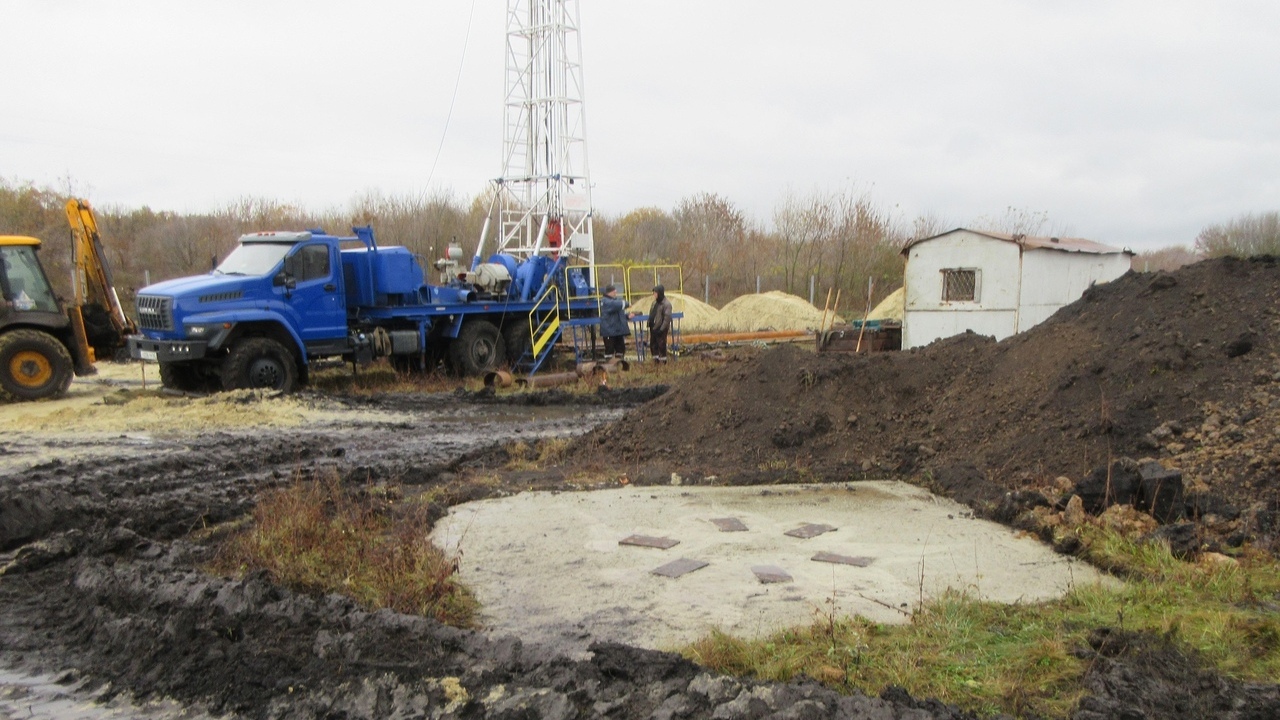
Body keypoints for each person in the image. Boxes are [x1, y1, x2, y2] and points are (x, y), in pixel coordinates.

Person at [598, 284, 630, 359]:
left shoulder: (613, 302)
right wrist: (627, 303)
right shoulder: (606, 301)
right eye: (614, 291)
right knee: (610, 350)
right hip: (609, 331)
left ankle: (619, 365)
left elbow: (616, 313)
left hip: (617, 331)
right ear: (610, 292)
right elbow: (618, 305)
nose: (616, 293)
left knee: (620, 349)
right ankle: (609, 366)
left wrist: (627, 316)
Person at [647, 284, 673, 363]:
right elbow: (652, 313)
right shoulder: (654, 303)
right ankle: (656, 361)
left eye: (655, 293)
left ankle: (663, 362)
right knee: (653, 345)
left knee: (661, 345)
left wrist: (661, 329)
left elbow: (667, 318)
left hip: (660, 328)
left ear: (660, 293)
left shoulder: (666, 304)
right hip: (653, 327)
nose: (654, 294)